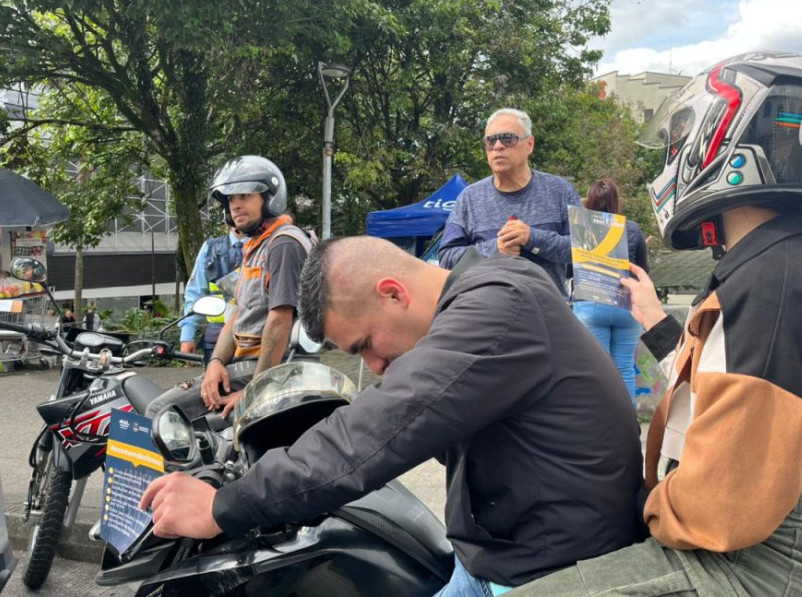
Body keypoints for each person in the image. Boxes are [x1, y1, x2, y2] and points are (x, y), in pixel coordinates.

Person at [508, 51, 802, 596]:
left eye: (678, 143)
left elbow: (721, 504)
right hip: (738, 545)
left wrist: (639, 504)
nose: (670, 161)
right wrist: (656, 321)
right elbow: (716, 383)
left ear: (718, 144)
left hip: (750, 567)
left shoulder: (775, 287)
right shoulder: (768, 266)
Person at [139, 235, 644, 594]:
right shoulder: (488, 298)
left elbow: (376, 430)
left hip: (548, 574)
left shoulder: (497, 309)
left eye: (365, 346)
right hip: (501, 556)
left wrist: (224, 507)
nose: (375, 366)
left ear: (393, 293)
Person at [145, 156, 311, 420]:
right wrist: (215, 363)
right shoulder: (256, 246)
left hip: (273, 369)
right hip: (246, 364)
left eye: (244, 195)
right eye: (230, 199)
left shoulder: (283, 244)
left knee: (159, 413)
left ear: (269, 198)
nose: (236, 205)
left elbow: (279, 320)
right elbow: (236, 316)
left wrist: (255, 391)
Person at [438, 108, 582, 296]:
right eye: (491, 141)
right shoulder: (469, 198)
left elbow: (585, 251)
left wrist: (533, 238)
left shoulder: (560, 191)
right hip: (486, 315)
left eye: (507, 138)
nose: (498, 146)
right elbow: (446, 258)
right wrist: (495, 249)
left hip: (547, 315)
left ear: (529, 144)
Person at [572, 177, 649, 405]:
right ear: (616, 201)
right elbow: (643, 271)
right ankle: (628, 429)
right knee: (624, 368)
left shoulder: (581, 230)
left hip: (592, 305)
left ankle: (600, 430)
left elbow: (570, 268)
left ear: (590, 201)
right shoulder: (632, 229)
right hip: (627, 307)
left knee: (599, 371)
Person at [178, 227, 246, 365]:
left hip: (254, 338)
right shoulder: (210, 249)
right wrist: (187, 336)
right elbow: (196, 292)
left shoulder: (268, 246)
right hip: (215, 338)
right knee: (215, 385)